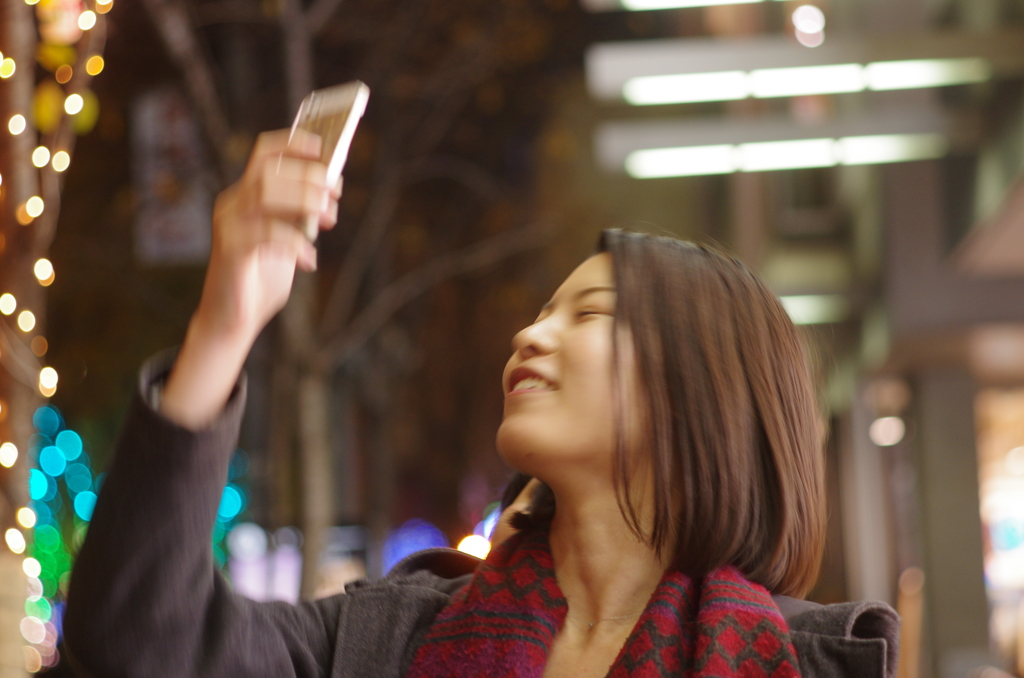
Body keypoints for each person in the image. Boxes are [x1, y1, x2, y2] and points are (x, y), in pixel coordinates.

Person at [64, 129, 898, 678]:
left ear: (705, 390)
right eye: (539, 315)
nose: (528, 338)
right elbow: (138, 644)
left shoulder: (807, 659)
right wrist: (225, 324)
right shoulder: (388, 642)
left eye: (590, 315)